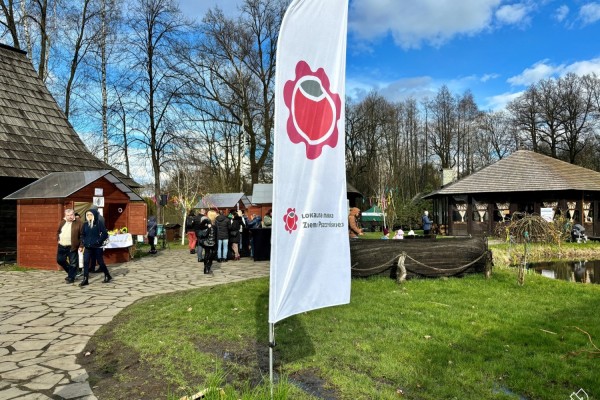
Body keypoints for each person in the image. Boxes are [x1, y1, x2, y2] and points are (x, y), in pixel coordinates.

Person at [80, 209, 111, 286]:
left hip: (97, 247)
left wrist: (98, 241)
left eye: (91, 215)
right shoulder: (85, 224)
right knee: (86, 262)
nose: (89, 216)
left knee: (100, 262)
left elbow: (105, 234)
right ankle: (85, 279)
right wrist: (83, 241)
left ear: (94, 215)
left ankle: (107, 275)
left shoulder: (98, 223)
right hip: (88, 247)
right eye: (87, 215)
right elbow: (82, 234)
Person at [56, 208, 84, 284]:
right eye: (68, 215)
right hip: (61, 245)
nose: (70, 217)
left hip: (72, 246)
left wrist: (81, 246)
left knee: (73, 263)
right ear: (65, 215)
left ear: (74, 214)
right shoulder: (62, 222)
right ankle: (72, 273)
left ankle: (71, 278)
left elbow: (82, 235)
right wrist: (58, 238)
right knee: (60, 260)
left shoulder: (79, 222)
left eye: (71, 215)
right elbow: (58, 231)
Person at [198, 210, 218, 274]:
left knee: (211, 254)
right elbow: (200, 227)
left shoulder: (215, 222)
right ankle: (206, 268)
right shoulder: (207, 221)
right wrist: (207, 223)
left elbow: (216, 233)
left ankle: (207, 266)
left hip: (212, 241)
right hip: (207, 241)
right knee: (208, 254)